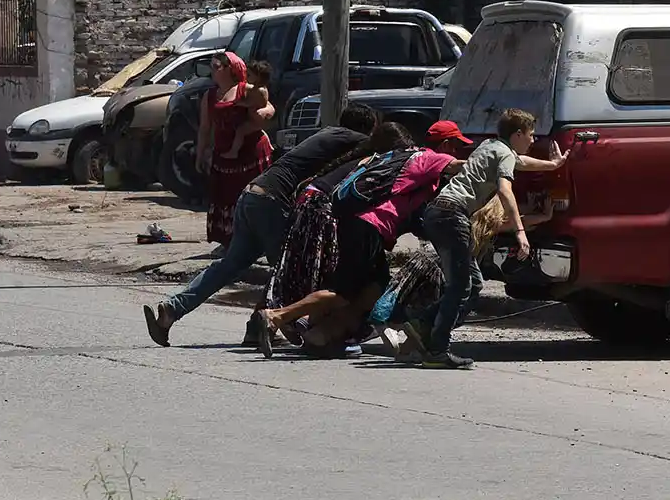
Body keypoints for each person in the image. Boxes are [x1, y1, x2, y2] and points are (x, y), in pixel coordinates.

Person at [144, 103, 378, 346]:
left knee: (229, 265)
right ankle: (272, 324)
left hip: (252, 193)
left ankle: (173, 309)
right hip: (272, 201)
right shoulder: (355, 139)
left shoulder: (329, 133)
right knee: (290, 269)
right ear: (366, 128)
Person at [252, 130, 464, 358]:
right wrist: (491, 164)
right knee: (344, 292)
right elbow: (461, 167)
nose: (456, 151)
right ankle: (277, 316)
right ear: (444, 145)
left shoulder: (401, 159)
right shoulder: (430, 158)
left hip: (358, 222)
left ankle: (321, 334)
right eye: (454, 145)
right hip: (369, 226)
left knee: (376, 286)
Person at [406, 109, 568, 369]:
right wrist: (520, 231)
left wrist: (553, 165)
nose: (533, 140)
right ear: (518, 134)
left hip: (438, 212)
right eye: (531, 134)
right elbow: (505, 190)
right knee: (461, 287)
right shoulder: (504, 154)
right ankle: (436, 350)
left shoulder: (490, 146)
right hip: (452, 215)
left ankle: (422, 325)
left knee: (473, 284)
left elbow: (522, 162)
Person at [263, 122, 414, 319]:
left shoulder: (362, 158)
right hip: (322, 209)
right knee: (325, 277)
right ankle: (287, 318)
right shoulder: (378, 164)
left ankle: (268, 319)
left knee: (294, 269)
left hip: (309, 202)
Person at [197, 52, 274, 247]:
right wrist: (200, 154)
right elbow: (205, 128)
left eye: (217, 67)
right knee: (226, 199)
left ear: (230, 69)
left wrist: (265, 113)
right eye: (211, 67)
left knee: (250, 199)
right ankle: (229, 244)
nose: (212, 71)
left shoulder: (246, 90)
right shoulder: (209, 96)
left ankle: (255, 244)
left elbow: (268, 106)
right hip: (223, 156)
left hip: (250, 155)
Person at [222, 60, 272, 159]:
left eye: (249, 75)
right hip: (255, 119)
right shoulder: (256, 88)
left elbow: (252, 103)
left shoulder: (260, 90)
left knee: (241, 131)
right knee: (260, 131)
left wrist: (239, 103)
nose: (246, 77)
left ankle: (234, 152)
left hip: (256, 120)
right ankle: (270, 144)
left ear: (258, 77)